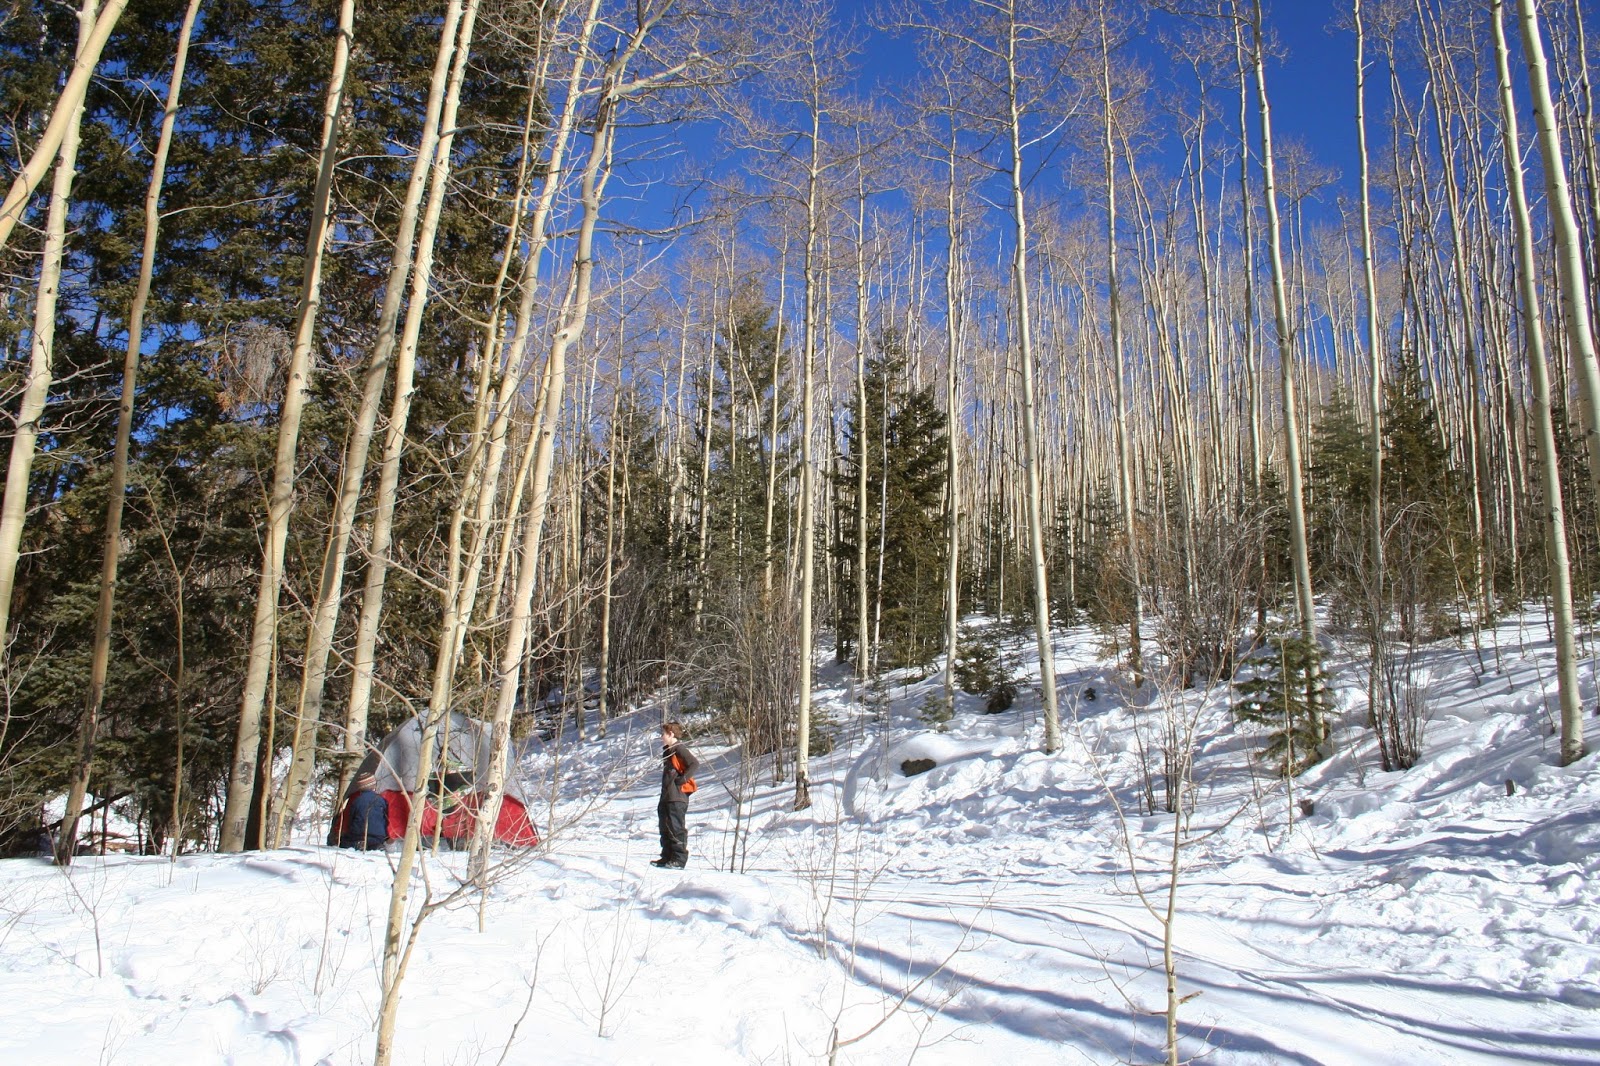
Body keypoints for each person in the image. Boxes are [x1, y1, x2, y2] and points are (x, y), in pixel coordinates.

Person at [651, 721, 698, 868]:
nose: (661, 736)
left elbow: (694, 763)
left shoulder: (679, 748)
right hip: (666, 795)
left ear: (671, 734)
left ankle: (679, 859)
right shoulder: (668, 750)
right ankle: (667, 857)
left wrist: (682, 780)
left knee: (676, 827)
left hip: (677, 797)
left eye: (663, 733)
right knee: (664, 826)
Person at [339, 772, 389, 850]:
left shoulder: (357, 801)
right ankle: (377, 845)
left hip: (359, 834)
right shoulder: (381, 800)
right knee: (375, 841)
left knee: (344, 841)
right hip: (378, 835)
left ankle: (358, 844)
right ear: (374, 785)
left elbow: (351, 818)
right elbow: (386, 818)